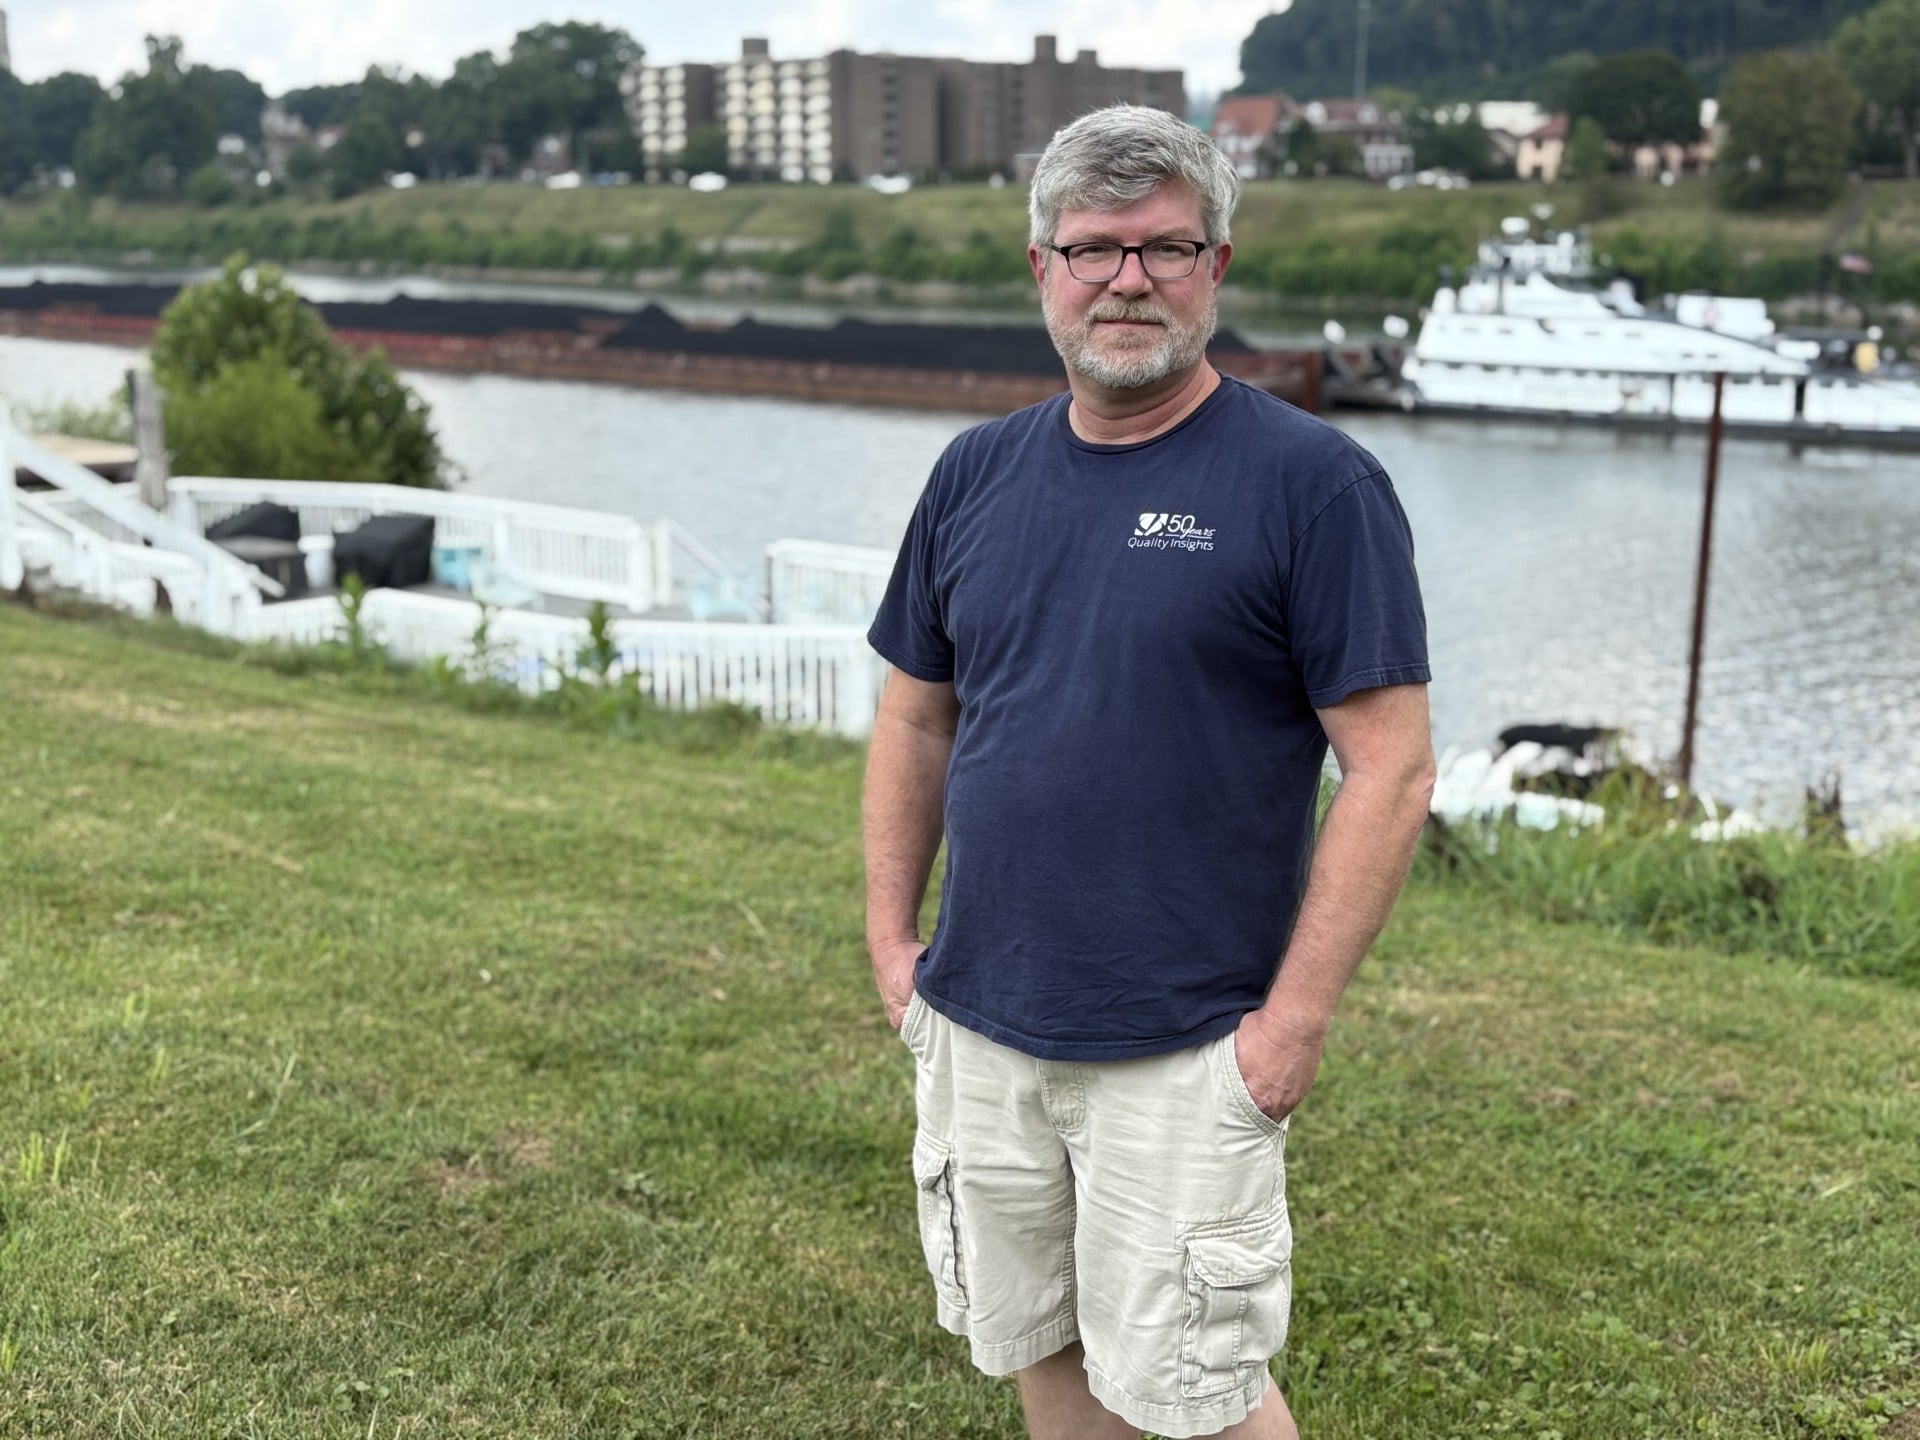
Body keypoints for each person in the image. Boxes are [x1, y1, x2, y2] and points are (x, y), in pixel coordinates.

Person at [862, 104, 1435, 1440]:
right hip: (980, 1021)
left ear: (1215, 266)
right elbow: (915, 719)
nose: (1128, 280)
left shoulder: (1315, 487)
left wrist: (1292, 1026)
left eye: (1165, 248)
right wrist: (893, 945)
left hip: (1188, 1046)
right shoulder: (973, 474)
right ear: (1042, 269)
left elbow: (1392, 770)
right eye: (1094, 249)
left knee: (1200, 1396)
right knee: (1040, 1346)